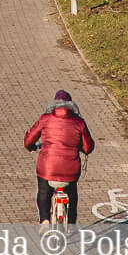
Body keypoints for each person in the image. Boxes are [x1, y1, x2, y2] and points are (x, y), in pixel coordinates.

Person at [25, 89, 95, 224]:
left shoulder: (45, 119)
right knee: (72, 196)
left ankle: (45, 221)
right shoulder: (79, 122)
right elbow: (88, 147)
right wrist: (80, 147)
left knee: (43, 192)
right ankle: (71, 224)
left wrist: (31, 147)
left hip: (48, 168)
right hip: (70, 170)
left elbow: (29, 140)